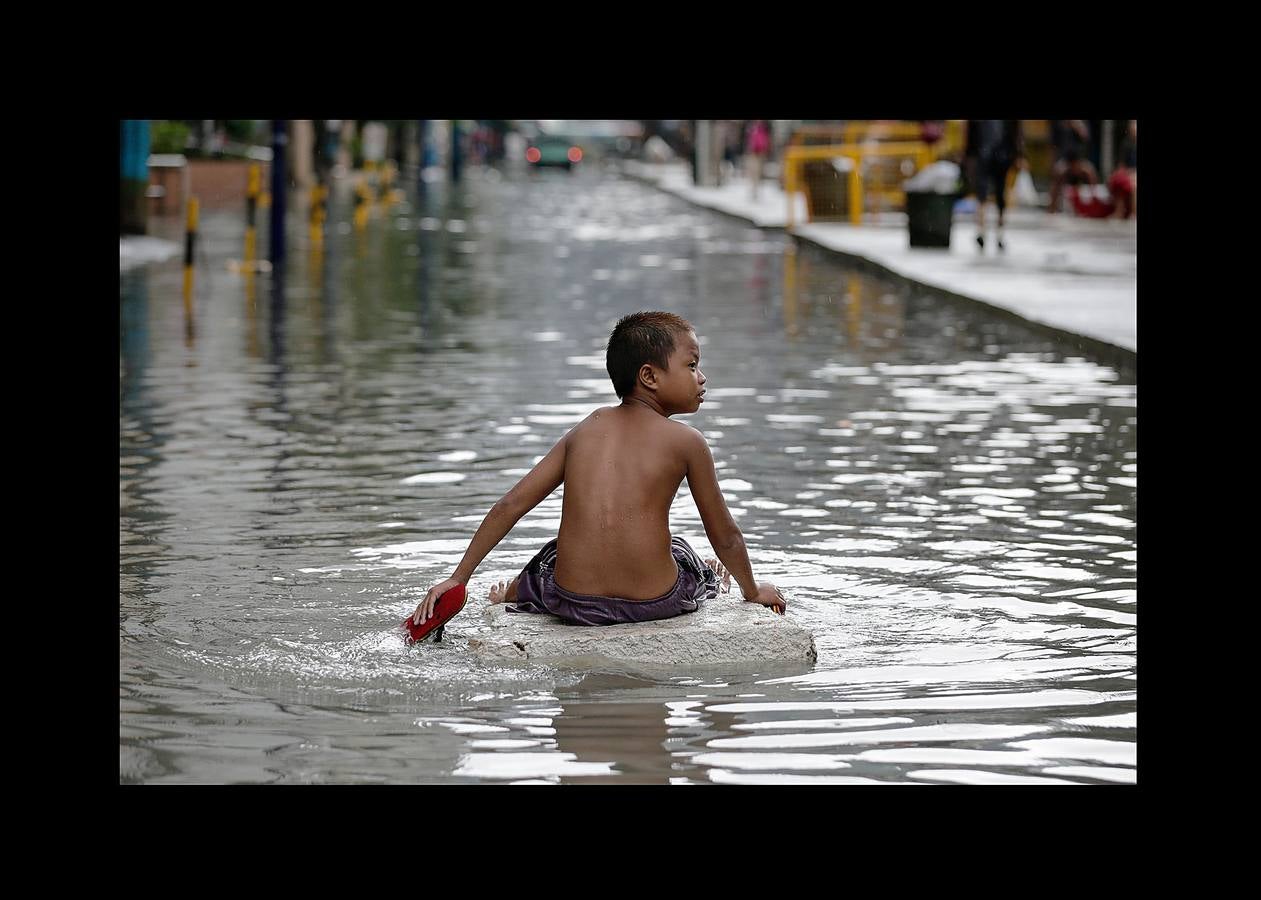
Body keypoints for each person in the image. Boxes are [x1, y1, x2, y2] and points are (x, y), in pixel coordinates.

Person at [409, 311, 786, 630]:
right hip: (654, 602)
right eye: (691, 365)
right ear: (649, 377)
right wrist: (752, 591)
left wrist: (459, 577)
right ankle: (709, 579)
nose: (701, 377)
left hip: (573, 603)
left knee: (551, 557)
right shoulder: (688, 442)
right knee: (687, 554)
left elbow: (511, 505)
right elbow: (726, 537)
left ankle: (514, 591)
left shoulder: (585, 429)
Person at [965, 120, 1023, 252]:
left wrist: (1018, 154)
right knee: (984, 194)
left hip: (999, 156)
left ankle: (997, 234)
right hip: (987, 155)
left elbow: (1016, 132)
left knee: (998, 196)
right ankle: (983, 232)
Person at [1047, 119, 1100, 214]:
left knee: (1091, 172)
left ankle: (1095, 204)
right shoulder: (1058, 124)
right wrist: (1052, 163)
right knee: (1057, 174)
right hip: (1066, 160)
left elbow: (1086, 136)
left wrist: (1076, 124)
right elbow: (1053, 146)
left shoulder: (1082, 122)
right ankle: (1052, 208)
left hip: (1079, 160)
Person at [1108, 119, 1137, 220]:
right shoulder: (1126, 144)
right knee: (1118, 182)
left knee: (1134, 184)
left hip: (1134, 174)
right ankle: (1119, 211)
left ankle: (1134, 213)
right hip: (1128, 172)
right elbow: (1122, 164)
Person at [746, 119, 771, 200]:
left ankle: (756, 190)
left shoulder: (764, 125)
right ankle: (754, 190)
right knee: (753, 172)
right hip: (754, 152)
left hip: (759, 152)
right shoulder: (752, 125)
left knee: (757, 172)